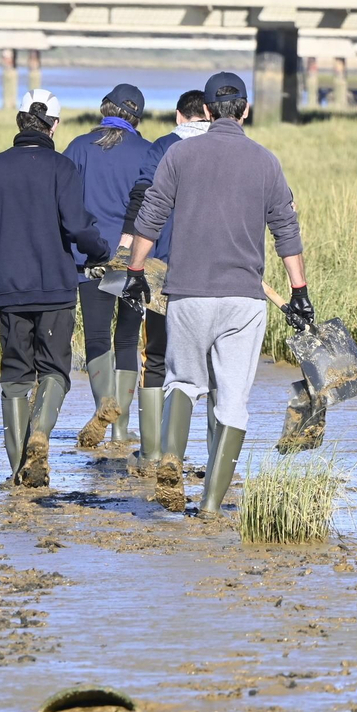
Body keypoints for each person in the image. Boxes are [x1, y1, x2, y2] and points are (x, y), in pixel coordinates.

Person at [125, 72, 313, 515]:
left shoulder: (179, 155)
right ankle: (210, 503)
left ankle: (171, 457)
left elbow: (150, 215)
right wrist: (299, 290)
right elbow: (286, 228)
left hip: (187, 295)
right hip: (244, 301)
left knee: (183, 383)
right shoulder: (266, 161)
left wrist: (134, 269)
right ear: (245, 110)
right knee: (231, 400)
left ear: (206, 111)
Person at [0, 89, 109, 488]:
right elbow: (78, 228)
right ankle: (41, 434)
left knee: (15, 376)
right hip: (56, 289)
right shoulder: (62, 169)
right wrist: (100, 251)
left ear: (20, 121)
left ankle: (17, 472)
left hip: (7, 290)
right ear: (53, 126)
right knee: (55, 369)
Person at [119, 88, 210, 467]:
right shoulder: (232, 148)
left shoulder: (161, 149)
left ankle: (153, 450)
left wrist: (130, 252)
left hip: (163, 271)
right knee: (209, 364)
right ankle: (201, 451)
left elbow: (143, 197)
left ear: (178, 116)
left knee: (156, 355)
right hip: (216, 273)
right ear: (209, 113)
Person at [61, 83, 151, 448]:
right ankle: (118, 428)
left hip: (89, 259)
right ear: (137, 117)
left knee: (97, 338)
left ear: (105, 109)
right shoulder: (149, 152)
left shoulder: (79, 148)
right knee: (128, 338)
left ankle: (104, 406)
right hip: (136, 263)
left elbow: (62, 200)